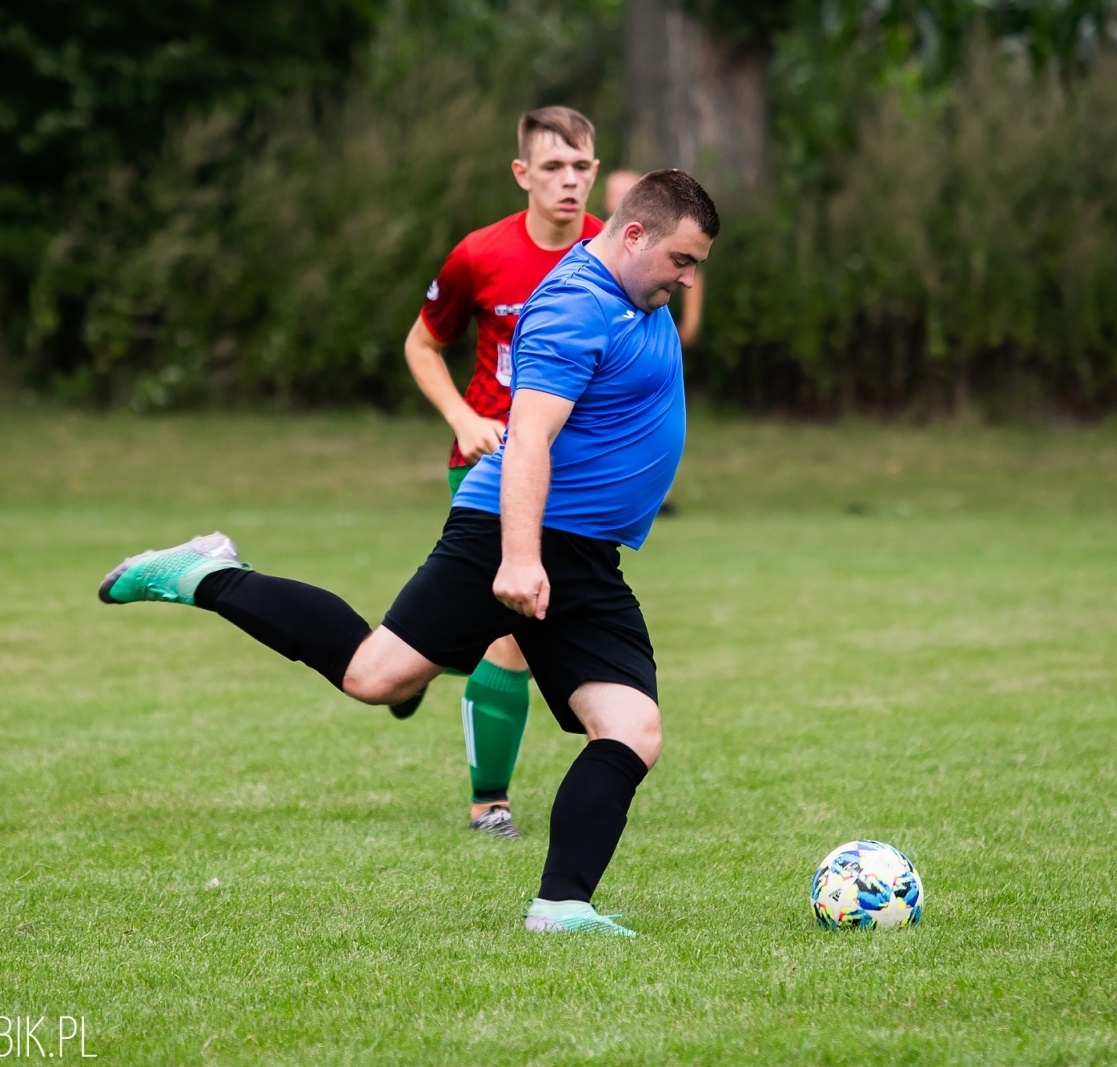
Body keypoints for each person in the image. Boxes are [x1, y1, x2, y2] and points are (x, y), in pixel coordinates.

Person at [97, 168, 719, 937]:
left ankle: (561, 905)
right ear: (632, 237)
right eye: (683, 262)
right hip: (510, 530)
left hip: (586, 556)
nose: (688, 279)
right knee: (374, 675)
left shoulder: (634, 289)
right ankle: (208, 572)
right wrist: (519, 559)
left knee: (632, 727)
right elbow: (528, 439)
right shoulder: (576, 306)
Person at [400, 107, 605, 840]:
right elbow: (422, 344)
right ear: (522, 174)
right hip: (488, 466)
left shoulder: (613, 251)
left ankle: (417, 662)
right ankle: (491, 803)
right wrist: (461, 417)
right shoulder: (479, 256)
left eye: (582, 166)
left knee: (503, 624)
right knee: (511, 629)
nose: (570, 182)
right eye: (554, 167)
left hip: (573, 476)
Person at [604, 169, 702, 347]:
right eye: (619, 194)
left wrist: (690, 322)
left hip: (659, 329)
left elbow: (694, 276)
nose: (625, 200)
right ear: (607, 200)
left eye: (631, 193)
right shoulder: (597, 239)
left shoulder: (663, 235)